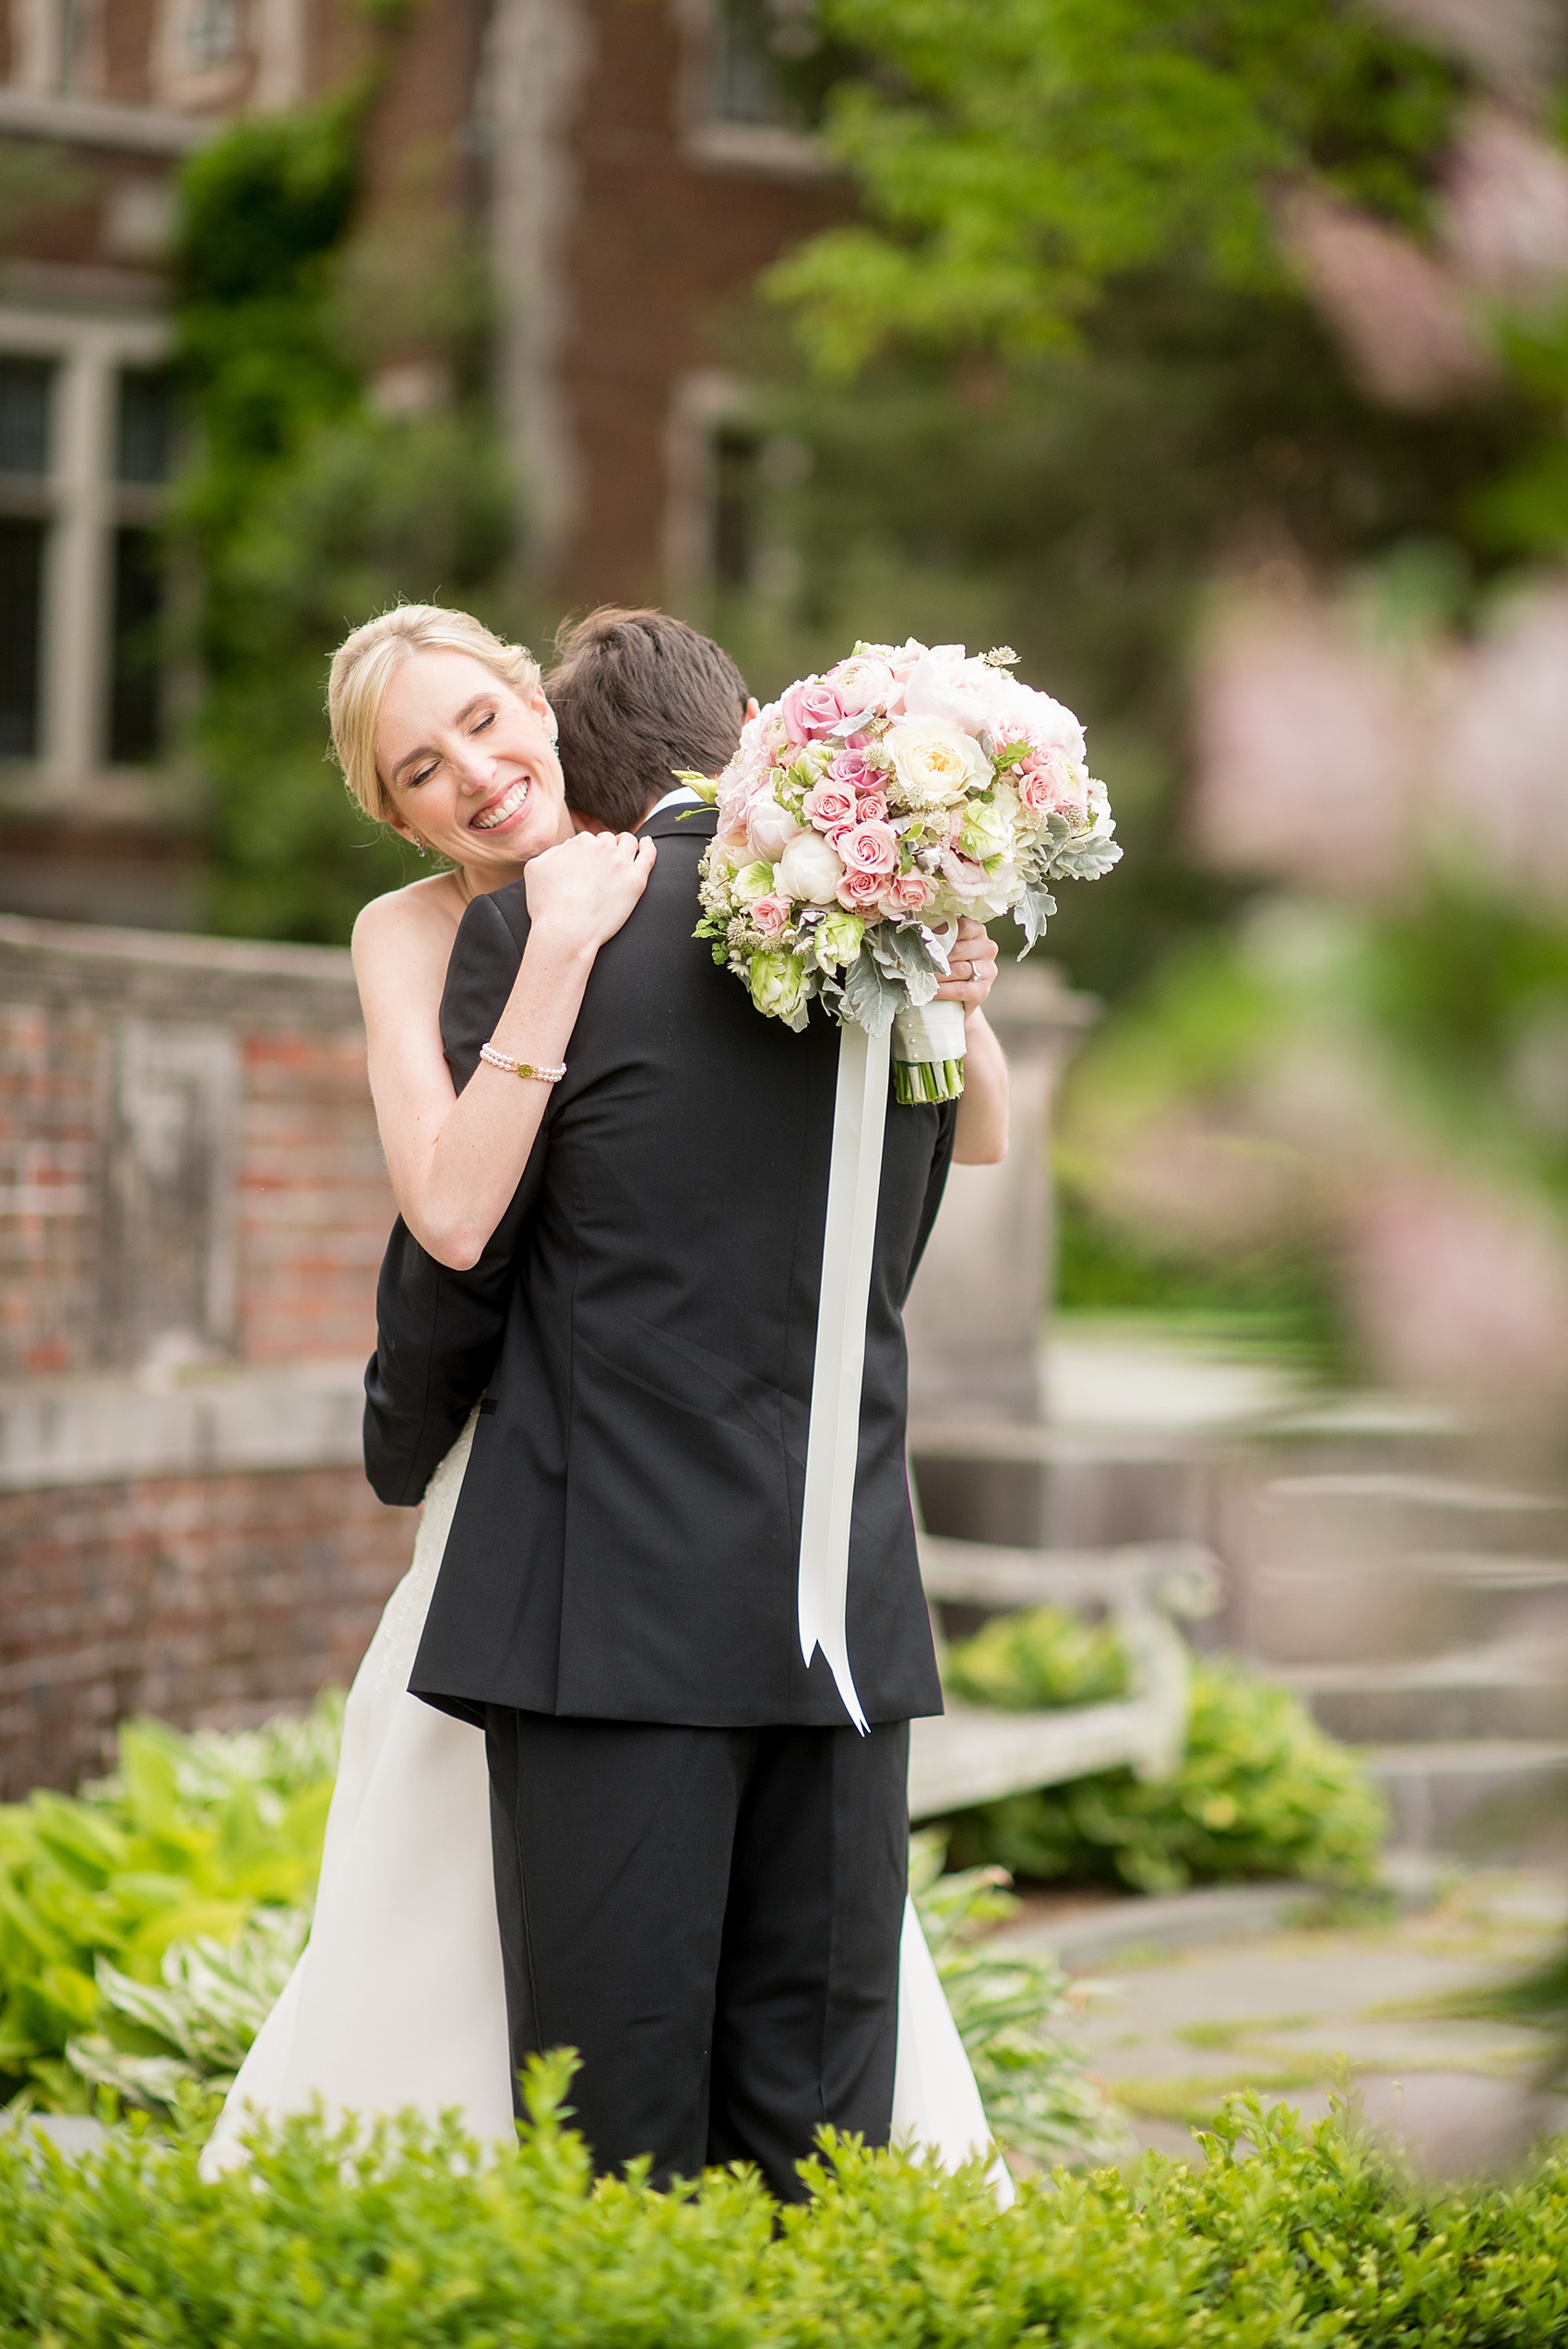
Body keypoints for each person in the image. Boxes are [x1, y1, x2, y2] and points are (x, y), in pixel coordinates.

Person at [204, 604, 1008, 2194]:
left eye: (485, 726)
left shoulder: (775, 891)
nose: (475, 779)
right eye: (420, 773)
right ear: (394, 813)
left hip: (744, 1543)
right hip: (546, 1497)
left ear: (540, 703)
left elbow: (942, 1144)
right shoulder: (427, 933)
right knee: (461, 1931)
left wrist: (956, 978)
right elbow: (448, 1227)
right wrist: (557, 946)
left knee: (748, 2025)